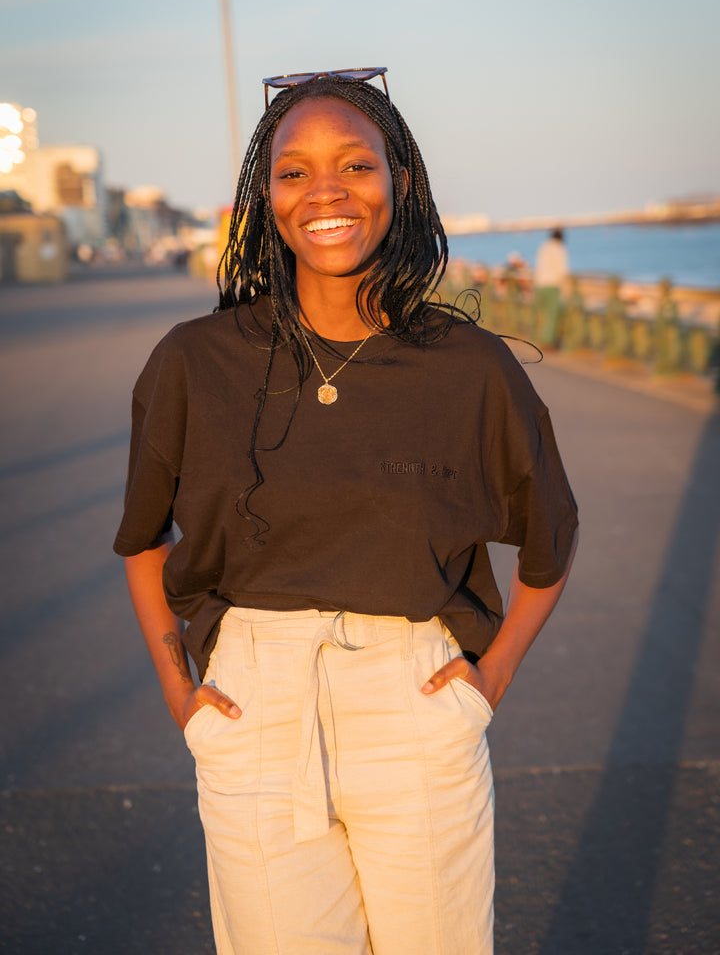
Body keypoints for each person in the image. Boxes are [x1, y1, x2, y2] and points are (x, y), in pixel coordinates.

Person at [114, 67, 579, 955]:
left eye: (356, 165)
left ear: (400, 182)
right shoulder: (194, 361)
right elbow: (143, 541)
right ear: (266, 196)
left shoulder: (469, 367)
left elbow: (551, 539)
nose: (325, 191)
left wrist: (491, 682)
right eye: (294, 172)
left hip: (414, 702)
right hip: (252, 706)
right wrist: (183, 693)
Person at [534, 227, 570, 347]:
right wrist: (565, 289)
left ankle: (539, 338)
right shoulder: (560, 248)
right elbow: (562, 270)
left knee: (542, 314)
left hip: (540, 284)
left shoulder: (544, 247)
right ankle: (548, 341)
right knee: (552, 315)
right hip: (553, 285)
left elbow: (538, 265)